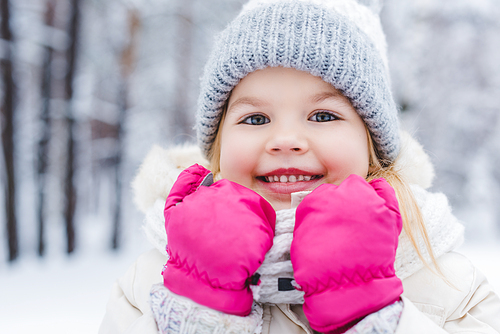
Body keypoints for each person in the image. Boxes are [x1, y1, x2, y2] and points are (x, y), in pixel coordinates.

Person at [99, 0, 500, 333]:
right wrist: (200, 306)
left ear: (371, 142)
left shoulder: (444, 283)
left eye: (323, 116)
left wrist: (369, 312)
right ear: (218, 146)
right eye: (255, 119)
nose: (285, 139)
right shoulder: (153, 281)